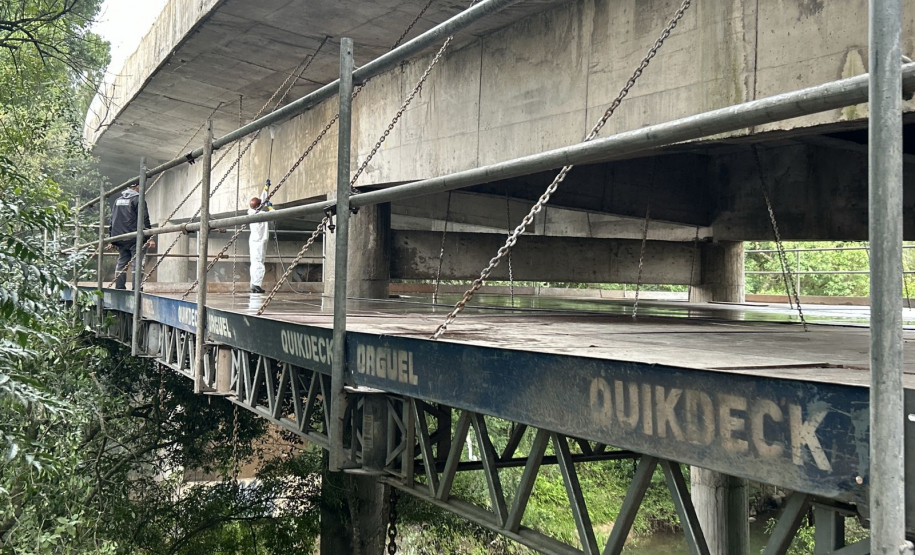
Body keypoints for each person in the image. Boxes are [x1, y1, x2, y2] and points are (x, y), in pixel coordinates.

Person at [109, 184, 155, 290]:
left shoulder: (118, 200)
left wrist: (112, 238)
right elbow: (144, 219)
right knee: (137, 263)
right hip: (134, 238)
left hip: (120, 237)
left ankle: (119, 287)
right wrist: (149, 238)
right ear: (136, 186)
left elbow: (113, 219)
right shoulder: (138, 199)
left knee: (121, 262)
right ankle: (136, 289)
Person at [248, 181, 272, 294]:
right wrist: (271, 207)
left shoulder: (251, 211)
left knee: (255, 262)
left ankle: (254, 284)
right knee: (258, 263)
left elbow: (261, 200)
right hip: (259, 242)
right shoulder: (261, 215)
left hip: (254, 241)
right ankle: (256, 285)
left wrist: (266, 188)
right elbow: (274, 214)